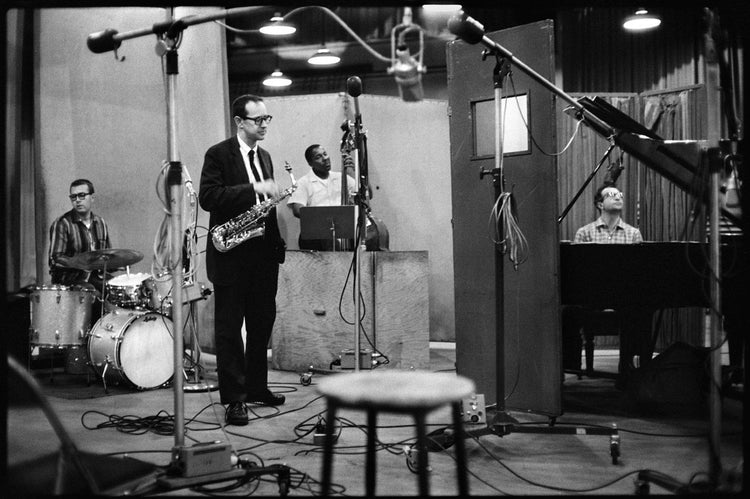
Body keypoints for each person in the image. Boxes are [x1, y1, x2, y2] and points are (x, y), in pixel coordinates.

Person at [199, 94, 287, 426]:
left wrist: (277, 244)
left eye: (267, 119)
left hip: (262, 256)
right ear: (239, 122)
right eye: (258, 120)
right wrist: (253, 189)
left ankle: (256, 387)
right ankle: (234, 399)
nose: (264, 125)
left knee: (262, 323)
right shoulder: (218, 154)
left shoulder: (264, 156)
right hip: (231, 256)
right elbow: (209, 197)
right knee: (230, 330)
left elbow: (269, 205)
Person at [562, 184, 654, 389]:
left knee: (641, 311)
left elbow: (640, 273)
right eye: (611, 195)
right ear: (599, 204)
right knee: (567, 312)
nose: (618, 196)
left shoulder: (633, 234)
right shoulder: (584, 233)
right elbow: (578, 272)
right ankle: (572, 368)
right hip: (591, 297)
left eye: (619, 194)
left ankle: (631, 370)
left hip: (624, 296)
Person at [287, 144, 357, 250]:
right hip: (318, 235)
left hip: (344, 231)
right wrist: (325, 218)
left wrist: (354, 171)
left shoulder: (341, 178)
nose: (325, 158)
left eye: (325, 154)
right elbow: (297, 210)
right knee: (327, 240)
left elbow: (366, 193)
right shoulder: (303, 182)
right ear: (310, 163)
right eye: (318, 157)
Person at [48, 179, 112, 293]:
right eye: (73, 197)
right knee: (94, 292)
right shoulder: (63, 223)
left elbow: (107, 255)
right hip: (70, 280)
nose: (77, 200)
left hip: (96, 277)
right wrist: (80, 263)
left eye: (82, 196)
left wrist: (121, 262)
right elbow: (55, 259)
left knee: (116, 287)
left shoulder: (100, 222)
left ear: (92, 198)